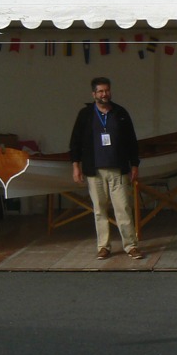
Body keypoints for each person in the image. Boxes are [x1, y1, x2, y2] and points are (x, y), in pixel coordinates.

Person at [69, 77, 143, 260]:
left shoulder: (120, 113)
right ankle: (103, 246)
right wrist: (76, 166)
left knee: (123, 208)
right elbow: (75, 142)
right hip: (94, 171)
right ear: (93, 94)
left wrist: (134, 164)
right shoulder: (85, 114)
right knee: (99, 209)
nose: (104, 94)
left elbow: (131, 141)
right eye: (101, 91)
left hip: (117, 169)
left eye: (107, 90)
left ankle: (131, 246)